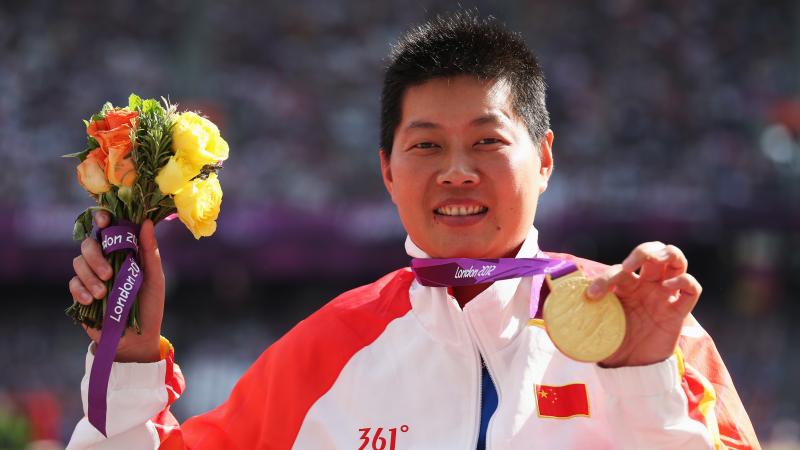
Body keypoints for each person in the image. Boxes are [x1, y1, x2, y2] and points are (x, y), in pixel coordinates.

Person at [66, 11, 760, 450]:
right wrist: (127, 366)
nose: (457, 172)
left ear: (544, 158)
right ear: (387, 171)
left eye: (488, 142)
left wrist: (642, 383)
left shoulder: (642, 323)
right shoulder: (324, 352)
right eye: (426, 145)